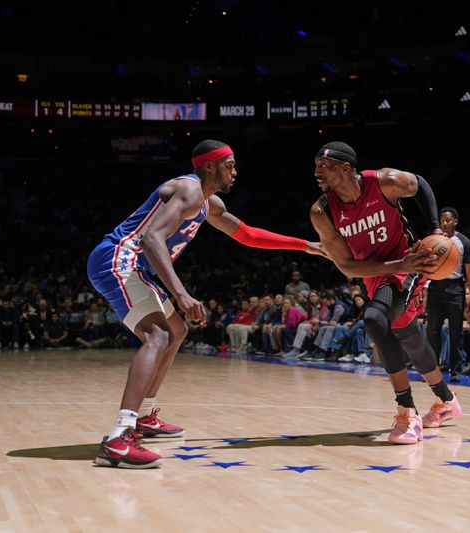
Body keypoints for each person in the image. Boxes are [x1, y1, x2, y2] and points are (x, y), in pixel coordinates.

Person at [87, 139, 325, 468]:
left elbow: (247, 234)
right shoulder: (189, 189)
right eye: (230, 165)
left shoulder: (207, 203)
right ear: (210, 167)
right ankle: (119, 437)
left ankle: (144, 417)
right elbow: (150, 238)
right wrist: (182, 294)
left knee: (176, 330)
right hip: (119, 261)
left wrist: (305, 246)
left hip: (134, 266)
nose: (236, 172)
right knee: (157, 336)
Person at [309, 141, 461, 445]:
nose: (316, 173)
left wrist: (434, 230)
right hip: (377, 274)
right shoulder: (321, 212)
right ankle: (447, 401)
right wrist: (393, 264)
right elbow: (349, 267)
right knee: (407, 334)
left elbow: (420, 185)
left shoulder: (385, 182)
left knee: (375, 319)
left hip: (411, 264)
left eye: (322, 167)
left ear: (346, 168)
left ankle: (407, 412)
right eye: (315, 166)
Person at [424, 207, 470, 378]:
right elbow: (423, 266)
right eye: (442, 220)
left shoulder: (464, 242)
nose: (444, 223)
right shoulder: (433, 240)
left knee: (456, 331)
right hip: (435, 286)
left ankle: (455, 370)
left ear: (455, 221)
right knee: (432, 331)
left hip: (455, 288)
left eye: (448, 220)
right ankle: (433, 371)